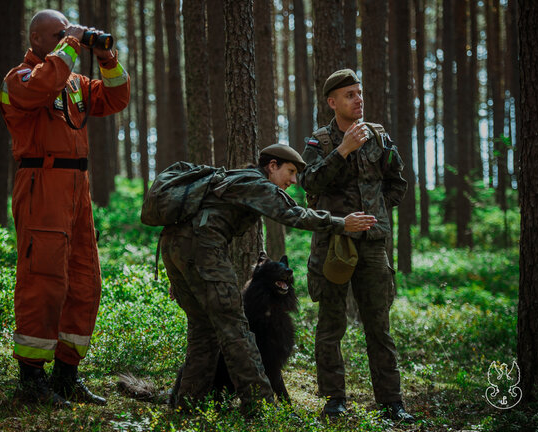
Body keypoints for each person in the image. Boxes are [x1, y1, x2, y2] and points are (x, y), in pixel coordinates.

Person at [160, 144, 377, 416]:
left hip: (177, 248)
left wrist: (185, 272)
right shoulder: (258, 184)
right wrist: (341, 223)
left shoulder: (237, 178)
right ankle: (260, 406)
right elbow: (294, 214)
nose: (294, 180)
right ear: (271, 166)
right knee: (235, 328)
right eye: (291, 171)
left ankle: (187, 404)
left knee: (204, 331)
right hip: (200, 250)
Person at [0, 9, 130, 406]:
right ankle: (31, 381)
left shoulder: (74, 82)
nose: (66, 40)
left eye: (67, 34)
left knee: (84, 280)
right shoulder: (18, 79)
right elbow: (39, 88)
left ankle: (66, 376)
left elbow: (116, 97)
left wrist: (107, 57)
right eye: (57, 34)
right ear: (36, 39)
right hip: (42, 184)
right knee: (44, 279)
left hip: (77, 188)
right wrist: (71, 43)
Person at [298, 69, 414, 422]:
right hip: (334, 243)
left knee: (379, 326)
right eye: (350, 95)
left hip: (373, 246)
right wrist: (344, 150)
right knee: (331, 325)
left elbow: (398, 183)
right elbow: (309, 182)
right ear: (333, 102)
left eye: (359, 93)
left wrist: (376, 213)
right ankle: (334, 399)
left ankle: (392, 402)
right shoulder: (319, 141)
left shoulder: (379, 136)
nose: (358, 99)